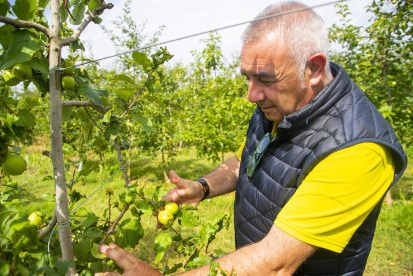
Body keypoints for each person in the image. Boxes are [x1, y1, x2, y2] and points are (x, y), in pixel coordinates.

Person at [96, 1, 407, 275]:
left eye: (265, 79)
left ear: (313, 68)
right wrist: (203, 187)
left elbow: (274, 264)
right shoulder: (279, 106)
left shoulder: (358, 149)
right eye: (248, 77)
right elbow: (246, 158)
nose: (251, 95)